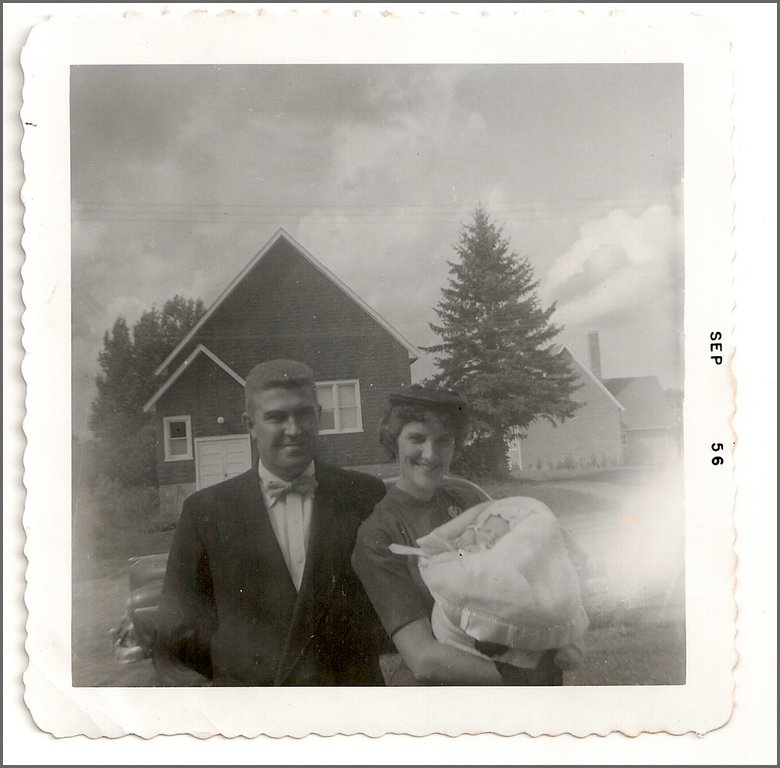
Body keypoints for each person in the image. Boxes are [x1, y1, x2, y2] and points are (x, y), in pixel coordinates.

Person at [157, 359, 387, 686]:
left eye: (304, 414)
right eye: (276, 417)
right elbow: (178, 632)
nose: (293, 430)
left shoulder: (364, 495)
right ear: (250, 425)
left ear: (319, 416)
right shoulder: (204, 511)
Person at [351, 384, 571, 685]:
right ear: (394, 441)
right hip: (444, 692)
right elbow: (422, 657)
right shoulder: (379, 534)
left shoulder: (469, 503)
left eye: (444, 441)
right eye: (416, 438)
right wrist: (520, 679)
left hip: (520, 667)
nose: (430, 454)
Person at [400, 495, 588, 674]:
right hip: (472, 585)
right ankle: (468, 654)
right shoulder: (470, 545)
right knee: (444, 617)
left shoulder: (507, 549)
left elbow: (526, 552)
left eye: (499, 536)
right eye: (488, 531)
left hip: (508, 588)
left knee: (546, 605)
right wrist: (465, 542)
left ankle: (561, 646)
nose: (491, 538)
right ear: (478, 530)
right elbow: (456, 552)